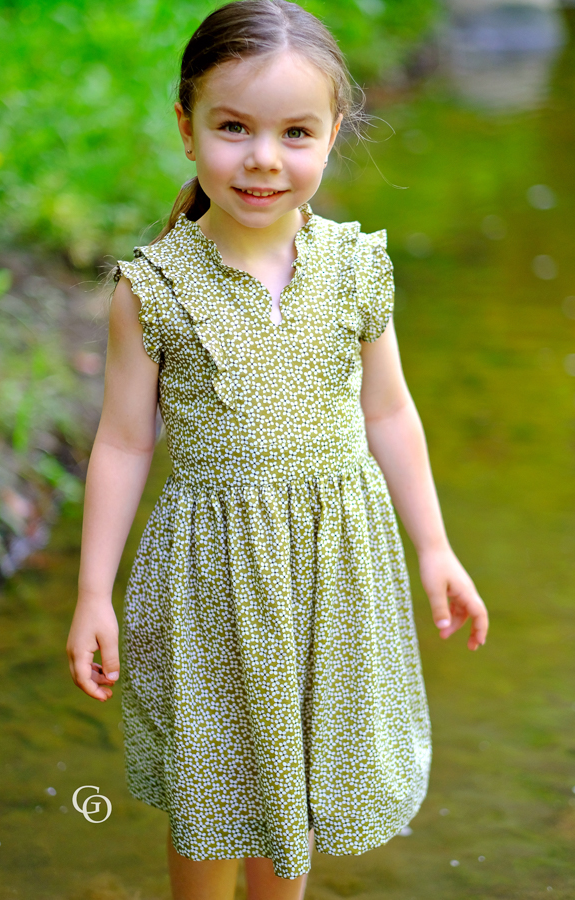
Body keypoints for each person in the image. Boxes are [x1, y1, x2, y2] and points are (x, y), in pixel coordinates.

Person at [66, 2, 489, 898]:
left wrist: (436, 548)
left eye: (295, 132)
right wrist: (93, 592)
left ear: (333, 134)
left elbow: (389, 413)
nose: (263, 158)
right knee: (214, 784)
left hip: (335, 572)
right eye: (234, 128)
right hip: (211, 579)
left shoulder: (356, 267)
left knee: (295, 788)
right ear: (187, 128)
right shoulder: (153, 289)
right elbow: (123, 442)